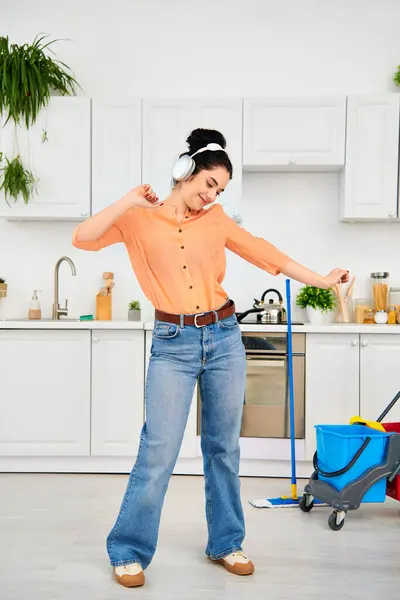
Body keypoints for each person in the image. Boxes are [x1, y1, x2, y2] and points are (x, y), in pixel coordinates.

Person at [72, 128, 349, 588]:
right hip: (172, 342)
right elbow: (83, 238)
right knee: (158, 449)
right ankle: (128, 550)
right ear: (186, 172)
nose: (211, 195)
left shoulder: (217, 220)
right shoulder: (138, 220)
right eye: (207, 184)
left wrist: (323, 280)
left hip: (222, 337)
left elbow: (269, 257)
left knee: (223, 448)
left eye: (219, 189)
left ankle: (226, 542)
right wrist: (127, 200)